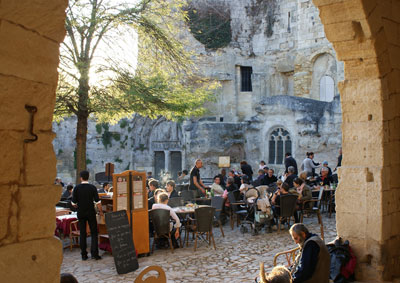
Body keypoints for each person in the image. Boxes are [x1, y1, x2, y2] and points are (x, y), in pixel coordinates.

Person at [71, 170, 103, 260]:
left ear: (81, 178)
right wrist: (101, 212)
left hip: (81, 212)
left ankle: (84, 255)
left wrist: (78, 206)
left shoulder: (76, 188)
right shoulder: (92, 187)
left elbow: (73, 203)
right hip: (90, 212)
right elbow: (98, 202)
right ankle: (94, 254)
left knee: (83, 233)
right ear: (88, 177)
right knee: (94, 233)